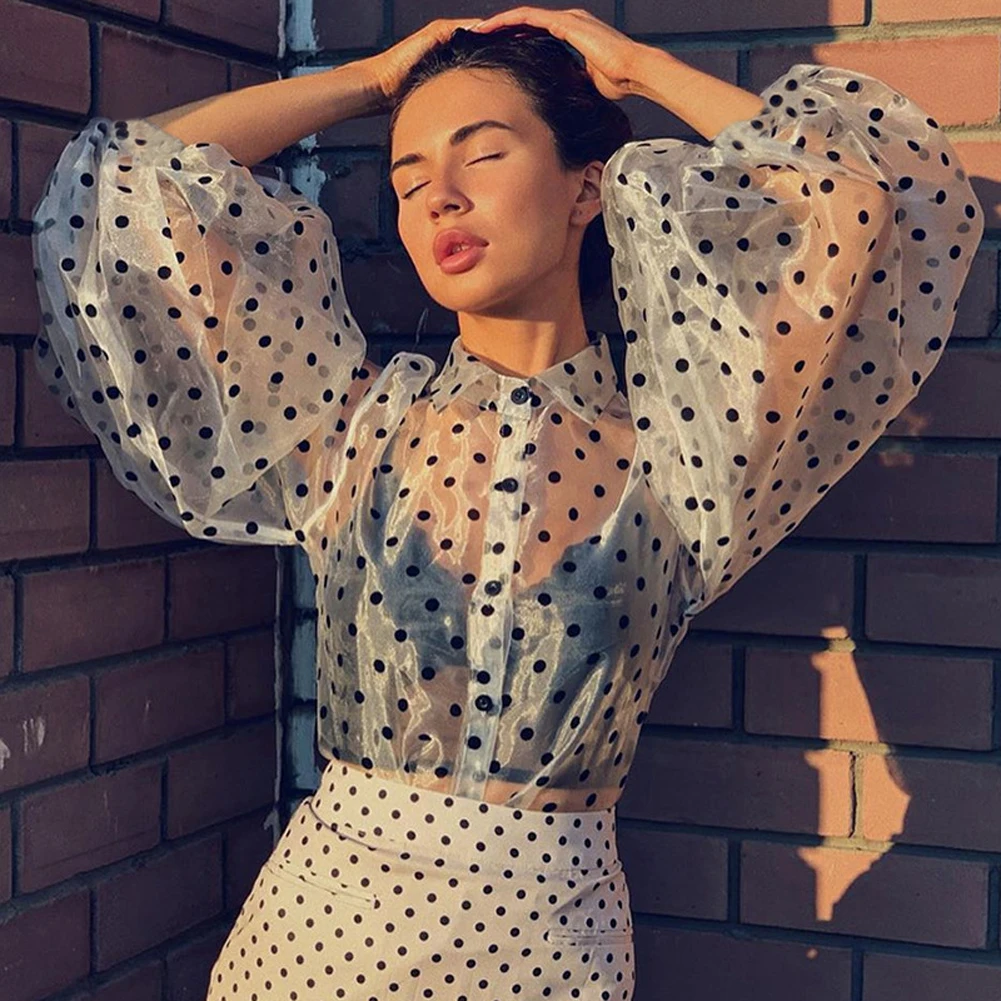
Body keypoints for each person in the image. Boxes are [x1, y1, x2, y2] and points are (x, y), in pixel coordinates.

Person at [29, 8, 982, 999]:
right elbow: (126, 183)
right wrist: (371, 81)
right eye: (407, 181)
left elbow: (854, 196)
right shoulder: (349, 430)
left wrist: (634, 68)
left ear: (586, 188)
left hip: (551, 955)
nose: (439, 195)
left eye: (481, 154)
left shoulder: (686, 454)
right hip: (318, 943)